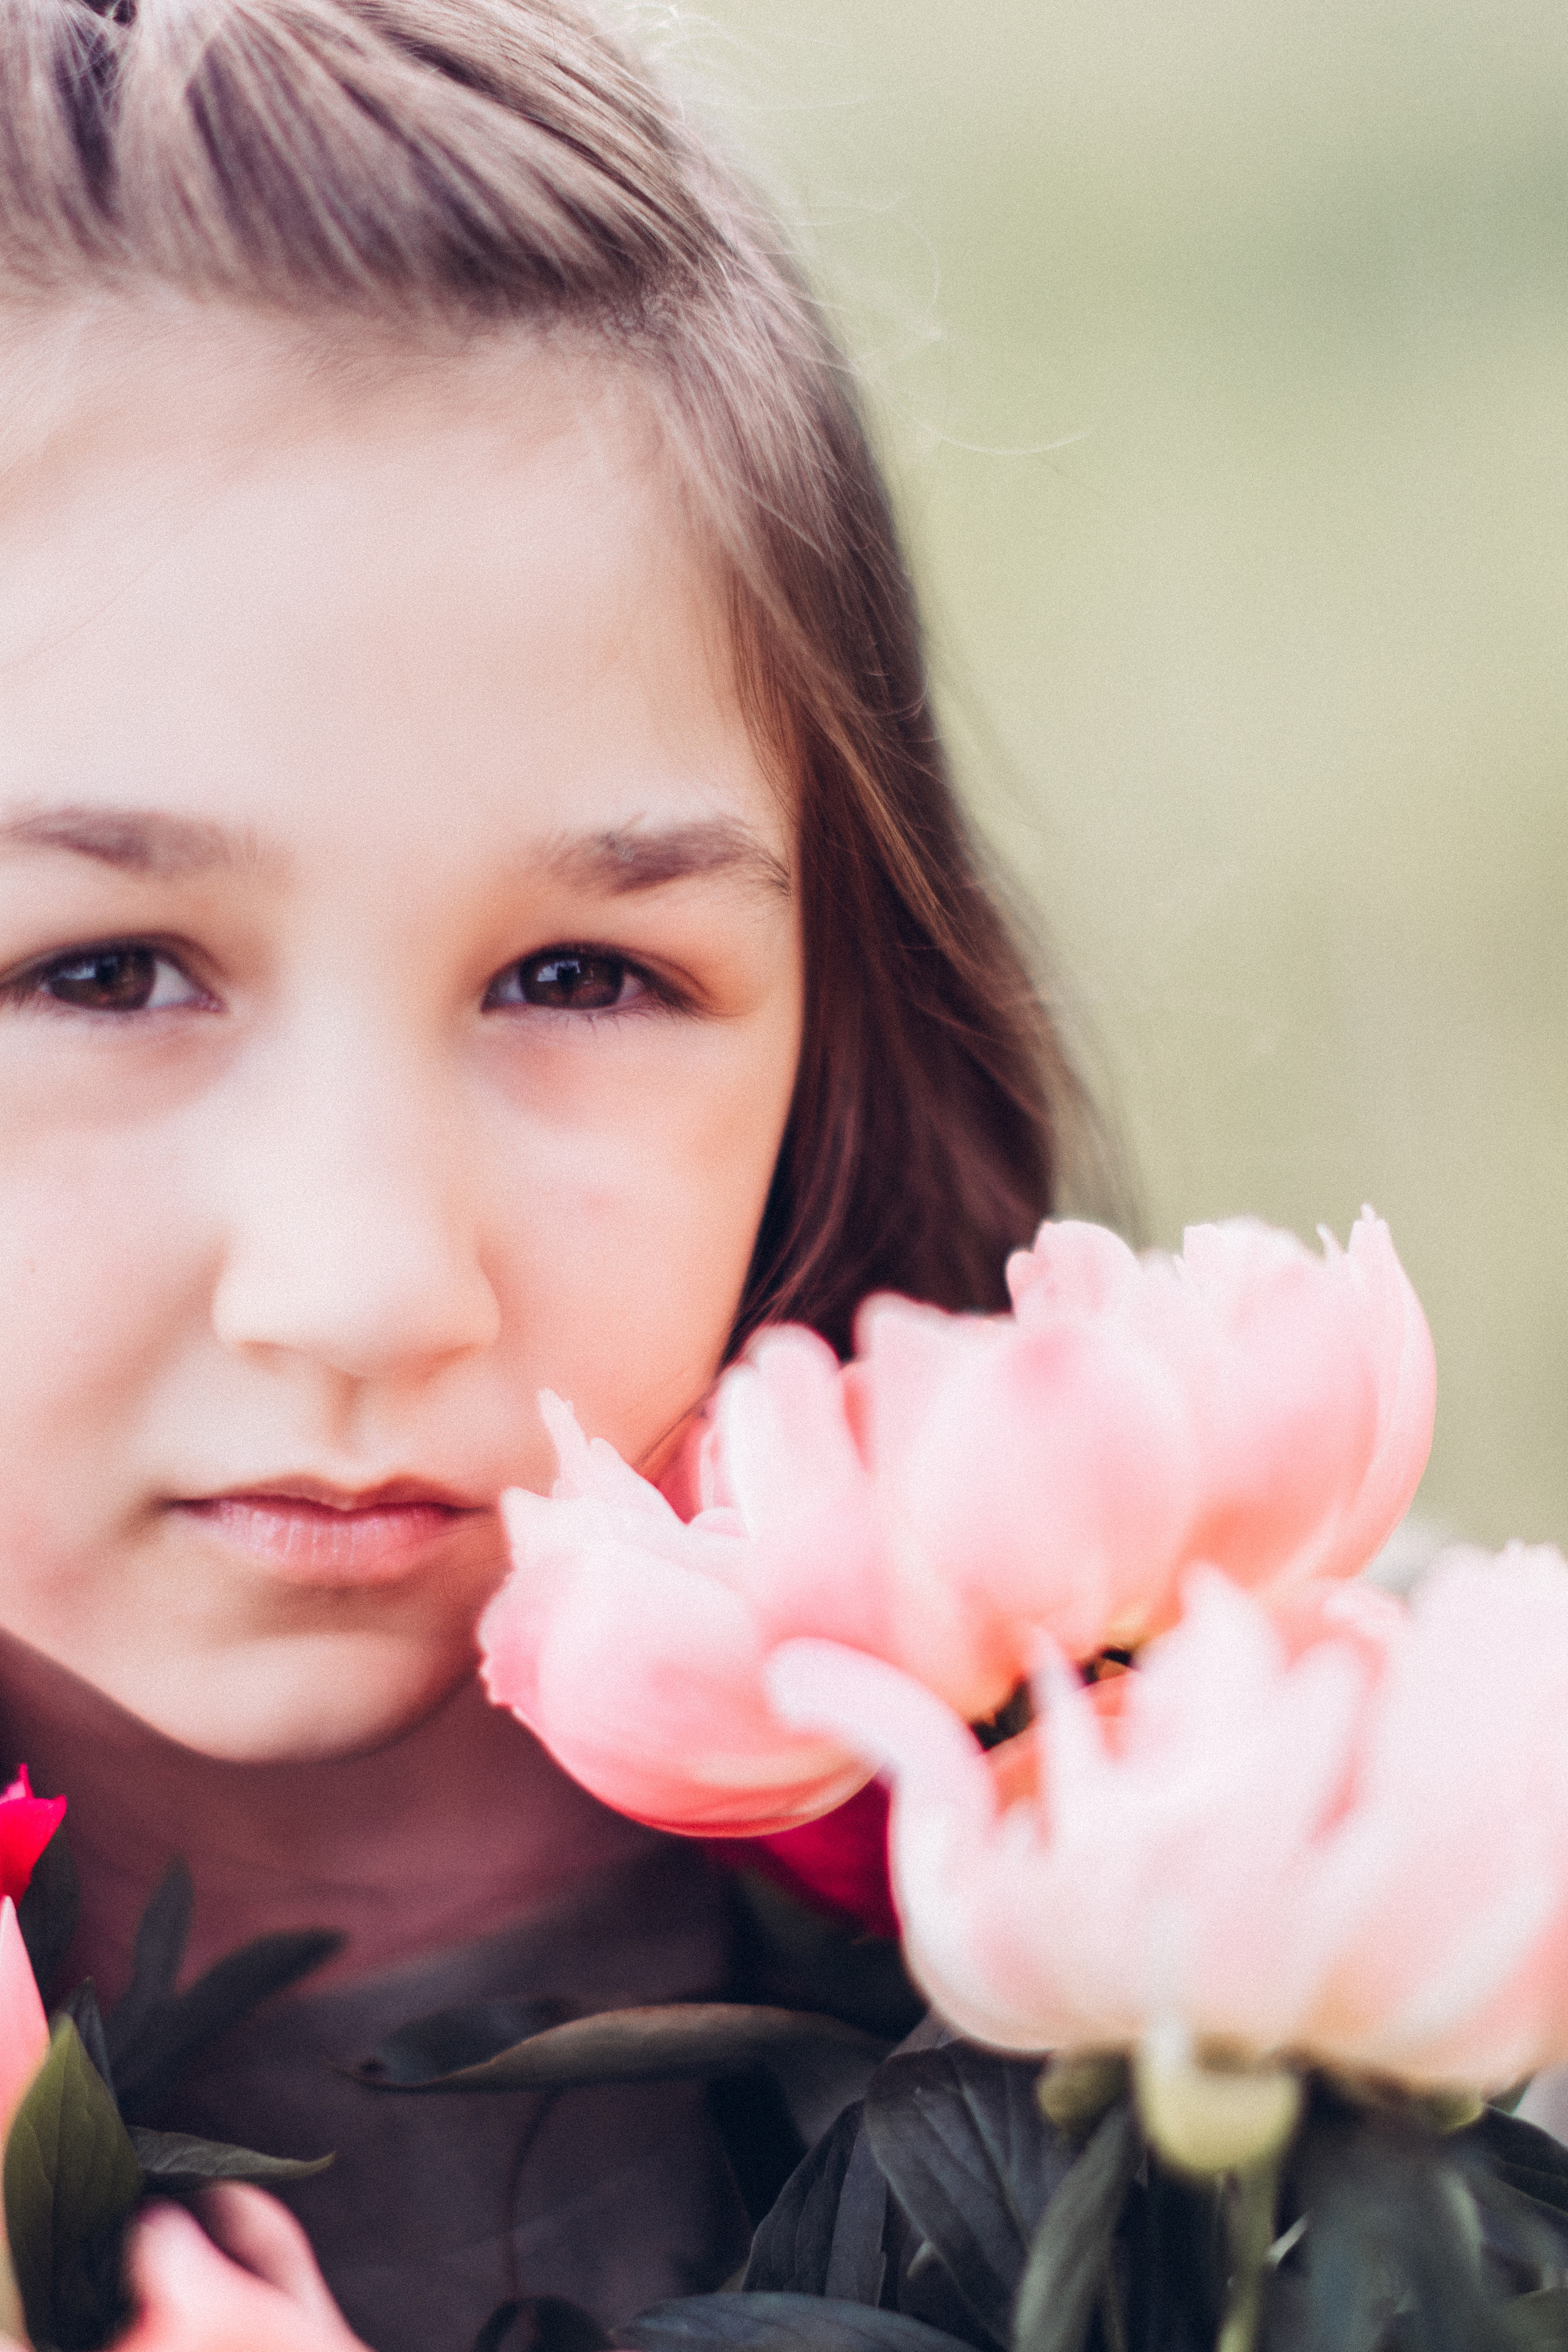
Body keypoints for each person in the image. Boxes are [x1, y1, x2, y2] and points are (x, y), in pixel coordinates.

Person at [0, 1, 1104, 2344]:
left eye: (582, 979)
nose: (372, 1283)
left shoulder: (1282, 1891)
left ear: (841, 1003)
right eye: (103, 975)